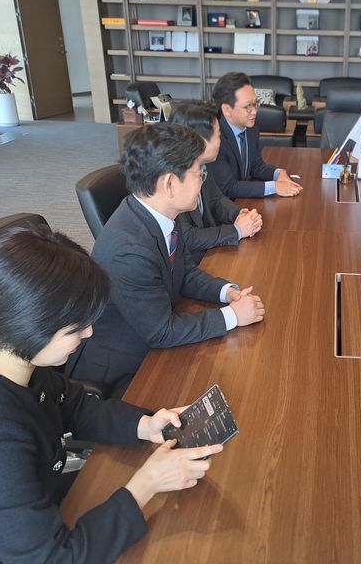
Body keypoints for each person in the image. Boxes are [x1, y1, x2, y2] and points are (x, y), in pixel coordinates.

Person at [0, 226, 224, 562]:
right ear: (29, 326)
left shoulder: (2, 352)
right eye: (75, 328)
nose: (89, 332)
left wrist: (145, 425)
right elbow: (53, 558)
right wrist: (147, 484)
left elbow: (71, 403)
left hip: (30, 497)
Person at [67, 124, 265, 396]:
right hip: (128, 365)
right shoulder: (129, 251)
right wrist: (232, 316)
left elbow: (184, 271)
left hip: (154, 330)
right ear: (170, 184)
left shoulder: (161, 215)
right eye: (199, 173)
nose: (203, 181)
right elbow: (161, 332)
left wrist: (226, 292)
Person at [169, 101, 263, 264]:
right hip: (189, 264)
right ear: (199, 140)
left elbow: (216, 199)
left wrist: (239, 214)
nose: (221, 141)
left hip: (210, 252)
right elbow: (187, 237)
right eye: (218, 136)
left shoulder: (203, 164)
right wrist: (237, 230)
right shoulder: (173, 180)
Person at [211, 71, 303, 199]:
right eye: (248, 106)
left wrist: (278, 173)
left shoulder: (251, 128)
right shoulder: (215, 138)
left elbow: (256, 167)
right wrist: (275, 187)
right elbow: (229, 187)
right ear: (227, 109)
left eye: (255, 104)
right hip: (224, 206)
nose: (254, 111)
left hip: (243, 201)